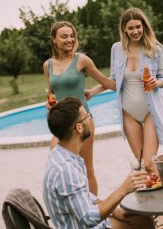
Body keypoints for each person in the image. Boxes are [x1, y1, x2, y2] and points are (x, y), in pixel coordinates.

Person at [86, 7, 163, 175]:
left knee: (150, 164)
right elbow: (114, 81)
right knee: (142, 165)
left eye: (138, 26)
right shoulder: (117, 49)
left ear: (144, 26)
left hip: (150, 111)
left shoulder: (156, 49)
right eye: (131, 28)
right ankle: (156, 197)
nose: (135, 31)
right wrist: (93, 91)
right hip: (128, 112)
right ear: (124, 29)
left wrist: (156, 82)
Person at [43, 96, 155, 229]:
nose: (90, 119)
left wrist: (114, 211)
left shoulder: (62, 154)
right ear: (79, 127)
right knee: (143, 222)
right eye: (87, 116)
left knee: (140, 218)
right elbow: (88, 218)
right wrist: (123, 189)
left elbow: (83, 196)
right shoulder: (65, 169)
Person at [43, 21, 114, 195]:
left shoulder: (81, 60)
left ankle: (94, 212)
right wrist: (49, 103)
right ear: (54, 40)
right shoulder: (48, 65)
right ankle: (73, 205)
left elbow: (107, 83)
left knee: (86, 169)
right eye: (64, 36)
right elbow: (51, 93)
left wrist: (93, 91)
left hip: (83, 121)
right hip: (61, 124)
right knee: (59, 164)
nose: (70, 39)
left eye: (72, 35)